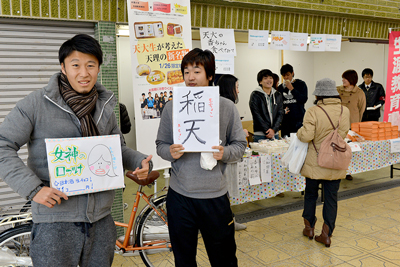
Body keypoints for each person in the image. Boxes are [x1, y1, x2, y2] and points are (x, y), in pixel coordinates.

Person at [0, 34, 153, 267]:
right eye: (76, 65)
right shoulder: (35, 104)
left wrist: (140, 161)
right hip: (56, 221)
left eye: (91, 65)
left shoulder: (105, 107)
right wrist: (34, 190)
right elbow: (3, 145)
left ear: (99, 68)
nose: (84, 73)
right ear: (63, 67)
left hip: (101, 220)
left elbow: (116, 149)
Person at [156, 48, 247, 267]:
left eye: (196, 71)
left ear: (209, 76)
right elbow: (161, 145)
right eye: (186, 71)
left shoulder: (226, 107)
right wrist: (170, 152)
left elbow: (240, 145)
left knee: (223, 258)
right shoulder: (172, 106)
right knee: (184, 258)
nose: (190, 77)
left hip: (215, 196)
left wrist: (225, 153)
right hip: (180, 196)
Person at [297, 78, 350, 248]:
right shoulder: (345, 111)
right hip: (335, 161)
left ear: (318, 94)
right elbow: (342, 134)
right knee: (331, 199)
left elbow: (306, 136)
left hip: (316, 162)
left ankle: (309, 228)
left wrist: (299, 132)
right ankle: (326, 235)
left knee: (311, 195)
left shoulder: (313, 111)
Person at [216, 74, 248, 231]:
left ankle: (229, 221)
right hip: (223, 158)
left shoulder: (222, 105)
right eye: (236, 87)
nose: (238, 91)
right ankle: (226, 223)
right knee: (223, 193)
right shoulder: (226, 106)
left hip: (223, 155)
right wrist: (241, 133)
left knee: (224, 194)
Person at [337, 69, 365, 181]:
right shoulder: (337, 90)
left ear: (352, 80)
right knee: (337, 148)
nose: (343, 80)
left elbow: (361, 109)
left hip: (352, 125)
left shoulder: (360, 93)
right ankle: (337, 170)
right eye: (343, 78)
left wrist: (356, 123)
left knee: (350, 150)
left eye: (345, 78)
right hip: (338, 124)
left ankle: (349, 171)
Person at [249, 69, 284, 142]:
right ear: (260, 82)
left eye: (271, 78)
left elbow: (280, 113)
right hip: (260, 134)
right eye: (265, 78)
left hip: (275, 134)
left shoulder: (278, 95)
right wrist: (267, 131)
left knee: (277, 153)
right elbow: (256, 114)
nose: (269, 80)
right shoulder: (255, 95)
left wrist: (274, 130)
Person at [277, 64, 308, 138]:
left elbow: (303, 99)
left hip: (299, 120)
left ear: (292, 73)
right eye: (284, 76)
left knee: (299, 142)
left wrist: (292, 89)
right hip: (286, 121)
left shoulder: (301, 84)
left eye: (288, 75)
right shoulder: (280, 88)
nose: (286, 77)